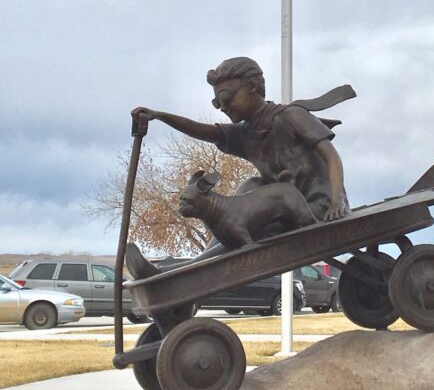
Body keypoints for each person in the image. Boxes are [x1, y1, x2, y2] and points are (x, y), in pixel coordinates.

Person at [126, 56, 354, 278]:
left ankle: (172, 274)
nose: (222, 107)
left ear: (252, 88)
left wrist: (337, 201)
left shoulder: (292, 116)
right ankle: (179, 271)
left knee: (240, 224)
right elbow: (204, 131)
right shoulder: (245, 134)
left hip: (314, 210)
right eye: (217, 102)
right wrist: (160, 116)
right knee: (248, 188)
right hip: (282, 211)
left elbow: (331, 157)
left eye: (226, 98)